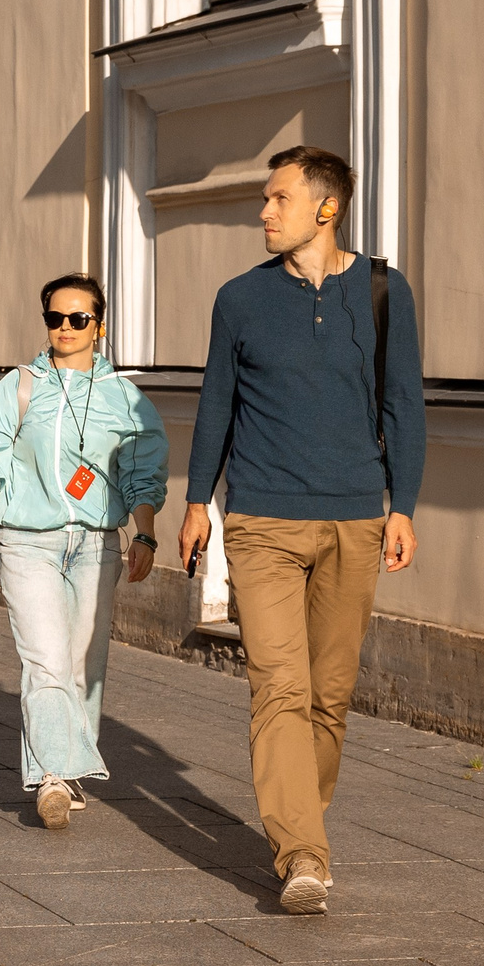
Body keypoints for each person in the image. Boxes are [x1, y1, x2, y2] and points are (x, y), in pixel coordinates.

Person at [181, 145, 423, 916]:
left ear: (326, 207)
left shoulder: (385, 291)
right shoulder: (239, 300)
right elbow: (216, 401)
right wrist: (197, 500)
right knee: (279, 686)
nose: (263, 212)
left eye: (277, 198)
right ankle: (304, 854)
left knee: (331, 694)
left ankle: (298, 819)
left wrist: (404, 503)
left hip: (356, 515)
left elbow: (404, 404)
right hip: (262, 518)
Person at [0, 274, 168, 829]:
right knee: (45, 660)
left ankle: (68, 770)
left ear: (100, 325)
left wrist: (143, 532)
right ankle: (52, 775)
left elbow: (141, 470)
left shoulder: (124, 397)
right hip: (27, 540)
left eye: (79, 318)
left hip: (97, 546)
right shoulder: (19, 386)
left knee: (82, 664)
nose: (66, 328)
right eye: (56, 318)